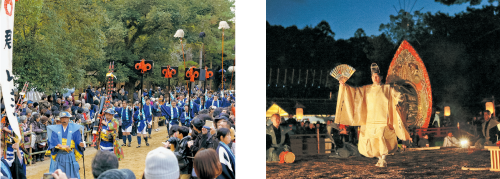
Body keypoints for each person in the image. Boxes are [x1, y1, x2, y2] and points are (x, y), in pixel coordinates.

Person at [335, 63, 410, 167]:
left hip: (383, 119)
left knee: (381, 136)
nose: (375, 78)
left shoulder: (387, 88)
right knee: (371, 140)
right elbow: (355, 92)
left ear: (381, 77)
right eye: (373, 76)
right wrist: (344, 86)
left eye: (377, 76)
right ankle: (379, 158)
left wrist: (399, 99)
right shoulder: (367, 89)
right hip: (369, 119)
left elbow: (398, 95)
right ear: (371, 77)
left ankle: (383, 158)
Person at [47, 111, 85, 179]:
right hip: (60, 155)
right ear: (60, 119)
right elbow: (54, 141)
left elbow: (78, 140)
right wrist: (62, 146)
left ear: (69, 119)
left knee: (73, 173)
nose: (64, 119)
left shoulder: (75, 129)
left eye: (66, 118)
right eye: (63, 118)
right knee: (59, 173)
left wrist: (80, 144)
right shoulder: (55, 129)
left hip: (70, 155)